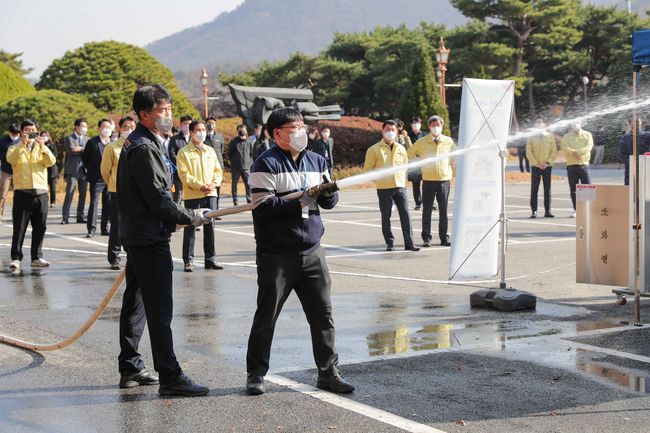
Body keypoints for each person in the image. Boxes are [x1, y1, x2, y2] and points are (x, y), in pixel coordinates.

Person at [245, 107, 354, 396]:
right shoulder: (264, 164)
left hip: (312, 251)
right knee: (267, 315)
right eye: (294, 128)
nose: (300, 133)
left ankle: (328, 372)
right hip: (277, 254)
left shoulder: (317, 159)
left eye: (302, 126)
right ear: (276, 133)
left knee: (322, 315)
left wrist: (328, 193)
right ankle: (255, 374)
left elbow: (329, 202)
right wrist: (300, 201)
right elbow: (264, 207)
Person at [116, 84, 209, 396]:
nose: (168, 116)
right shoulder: (143, 148)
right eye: (163, 112)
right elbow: (158, 199)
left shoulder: (143, 143)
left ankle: (130, 367)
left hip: (141, 233)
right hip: (148, 236)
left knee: (137, 302)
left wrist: (179, 214)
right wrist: (189, 215)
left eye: (169, 110)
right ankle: (169, 375)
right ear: (145, 114)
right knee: (159, 308)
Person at [6, 119, 56, 271]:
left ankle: (36, 256)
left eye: (32, 130)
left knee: (40, 226)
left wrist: (43, 147)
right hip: (23, 192)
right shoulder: (14, 148)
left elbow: (50, 162)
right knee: (19, 227)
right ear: (21, 132)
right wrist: (22, 145)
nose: (29, 133)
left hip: (41, 193)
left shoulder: (42, 148)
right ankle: (16, 258)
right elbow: (11, 160)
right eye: (26, 130)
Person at [364, 120, 420, 252]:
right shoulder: (373, 149)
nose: (390, 132)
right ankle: (390, 242)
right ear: (382, 131)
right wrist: (379, 180)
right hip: (384, 188)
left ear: (397, 132)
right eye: (387, 129)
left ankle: (409, 243)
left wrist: (403, 181)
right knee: (386, 216)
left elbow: (405, 166)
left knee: (405, 215)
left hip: (400, 187)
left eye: (393, 130)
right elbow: (368, 170)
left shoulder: (401, 148)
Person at [176, 120, 224, 272]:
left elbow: (218, 170)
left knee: (210, 227)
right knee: (190, 226)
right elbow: (184, 175)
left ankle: (210, 259)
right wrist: (200, 185)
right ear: (191, 132)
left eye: (203, 129)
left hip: (211, 193)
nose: (202, 132)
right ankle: (188, 260)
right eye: (198, 130)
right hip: (192, 195)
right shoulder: (183, 152)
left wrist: (214, 184)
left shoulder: (210, 150)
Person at [407, 115, 455, 247]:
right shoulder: (422, 142)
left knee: (443, 210)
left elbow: (455, 156)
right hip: (428, 181)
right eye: (433, 125)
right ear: (428, 127)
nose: (435, 127)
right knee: (427, 210)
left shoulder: (448, 141)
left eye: (438, 125)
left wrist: (450, 168)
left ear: (442, 126)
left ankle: (444, 237)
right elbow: (408, 154)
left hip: (444, 180)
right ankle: (426, 238)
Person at [101, 116, 136, 270]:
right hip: (117, 192)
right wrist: (113, 184)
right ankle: (114, 256)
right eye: (126, 127)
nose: (129, 130)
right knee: (116, 225)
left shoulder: (138, 146)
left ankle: (133, 255)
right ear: (120, 129)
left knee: (134, 225)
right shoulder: (112, 147)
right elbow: (105, 171)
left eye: (132, 127)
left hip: (135, 192)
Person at [82, 119, 112, 238]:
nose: (106, 129)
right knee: (94, 203)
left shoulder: (113, 142)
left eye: (109, 127)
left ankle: (105, 227)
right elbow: (86, 159)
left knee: (108, 204)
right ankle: (91, 228)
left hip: (110, 178)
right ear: (99, 128)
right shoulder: (92, 142)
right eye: (104, 127)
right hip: (96, 178)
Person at [526, 117, 558, 218]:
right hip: (536, 166)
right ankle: (534, 211)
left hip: (547, 166)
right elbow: (528, 152)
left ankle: (547, 211)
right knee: (534, 189)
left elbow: (554, 151)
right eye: (537, 122)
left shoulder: (549, 136)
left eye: (540, 122)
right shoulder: (531, 137)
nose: (539, 124)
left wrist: (547, 162)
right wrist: (536, 163)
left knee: (547, 189)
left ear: (545, 124)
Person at [561, 122, 593, 218]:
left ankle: (588, 209)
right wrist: (573, 153)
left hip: (584, 165)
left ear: (581, 124)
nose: (575, 125)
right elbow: (564, 147)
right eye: (573, 123)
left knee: (587, 187)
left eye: (577, 123)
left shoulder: (587, 135)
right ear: (570, 125)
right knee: (573, 189)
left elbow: (589, 146)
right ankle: (576, 209)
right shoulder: (566, 136)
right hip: (571, 165)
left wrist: (579, 152)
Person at [61, 118, 89, 224]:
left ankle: (80, 216)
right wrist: (83, 149)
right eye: (82, 126)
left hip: (84, 170)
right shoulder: (69, 138)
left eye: (85, 127)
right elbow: (72, 150)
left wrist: (80, 148)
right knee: (70, 193)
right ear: (77, 127)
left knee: (83, 194)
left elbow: (88, 151)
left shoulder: (87, 139)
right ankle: (65, 216)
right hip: (73, 170)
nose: (84, 129)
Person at [167, 115, 193, 204]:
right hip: (178, 172)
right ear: (181, 125)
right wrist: (182, 164)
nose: (187, 126)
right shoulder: (174, 139)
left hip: (192, 172)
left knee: (191, 196)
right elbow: (172, 154)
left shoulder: (194, 139)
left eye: (189, 124)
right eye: (185, 124)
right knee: (177, 195)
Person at [228, 124, 253, 205]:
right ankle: (235, 201)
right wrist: (233, 162)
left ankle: (249, 200)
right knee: (234, 185)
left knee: (248, 184)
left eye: (243, 129)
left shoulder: (249, 142)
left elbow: (251, 154)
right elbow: (229, 154)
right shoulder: (233, 141)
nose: (241, 131)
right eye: (239, 129)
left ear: (246, 131)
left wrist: (249, 163)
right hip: (235, 167)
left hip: (246, 167)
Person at [204, 116, 225, 209]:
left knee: (217, 188)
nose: (211, 124)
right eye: (209, 122)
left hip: (218, 166)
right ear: (205, 124)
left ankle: (216, 210)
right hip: (206, 166)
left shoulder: (219, 137)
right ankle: (208, 209)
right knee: (208, 188)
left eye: (213, 122)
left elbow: (222, 150)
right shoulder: (203, 136)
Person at [0, 123, 21, 218]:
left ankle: (17, 216)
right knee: (3, 194)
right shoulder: (2, 140)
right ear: (9, 132)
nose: (15, 136)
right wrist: (8, 156)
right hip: (6, 170)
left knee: (19, 195)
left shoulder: (22, 140)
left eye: (17, 134)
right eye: (13, 134)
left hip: (19, 170)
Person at [407, 117, 426, 210]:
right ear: (411, 125)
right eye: (414, 123)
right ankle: (418, 203)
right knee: (416, 185)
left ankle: (430, 203)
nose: (416, 124)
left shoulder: (425, 135)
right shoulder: (407, 136)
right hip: (414, 164)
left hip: (424, 163)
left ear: (421, 124)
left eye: (417, 123)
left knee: (428, 184)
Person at [41, 131, 59, 207]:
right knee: (43, 187)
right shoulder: (38, 145)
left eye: (46, 135)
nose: (45, 137)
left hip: (52, 169)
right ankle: (44, 201)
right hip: (42, 168)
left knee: (52, 187)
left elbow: (55, 155)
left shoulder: (52, 144)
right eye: (43, 135)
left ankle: (53, 201)